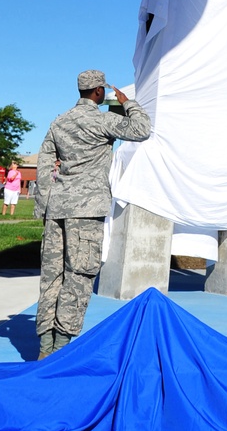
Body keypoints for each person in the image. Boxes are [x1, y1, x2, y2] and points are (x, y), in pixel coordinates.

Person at [35, 70, 151, 358]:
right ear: (98, 92)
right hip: (86, 211)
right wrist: (127, 103)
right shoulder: (103, 120)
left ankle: (43, 347)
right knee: (79, 275)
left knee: (52, 276)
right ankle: (61, 348)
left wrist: (43, 207)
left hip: (57, 209)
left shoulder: (59, 122)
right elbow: (142, 129)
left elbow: (43, 168)